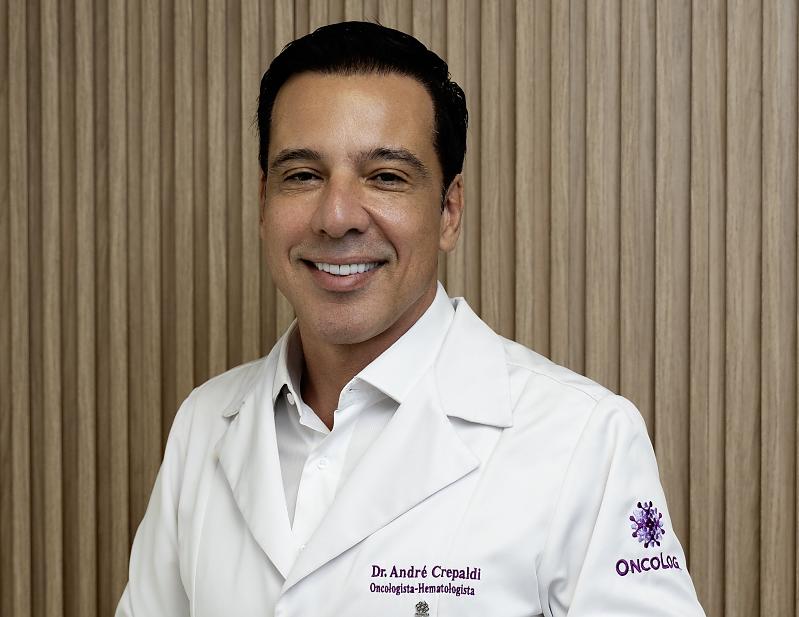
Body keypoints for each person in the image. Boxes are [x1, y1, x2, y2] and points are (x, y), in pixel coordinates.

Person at [116, 21, 706, 617]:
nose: (337, 216)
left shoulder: (584, 440)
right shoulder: (204, 425)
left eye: (385, 177)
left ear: (449, 210)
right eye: (303, 176)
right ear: (264, 201)